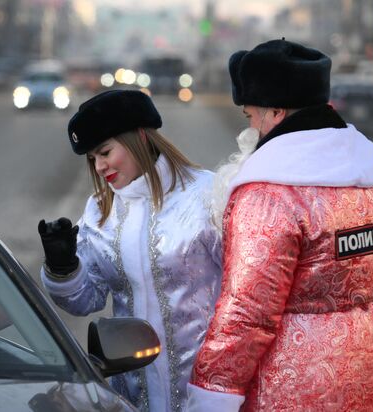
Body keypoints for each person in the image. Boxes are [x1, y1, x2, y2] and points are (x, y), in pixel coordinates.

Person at [186, 39, 373, 412]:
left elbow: (247, 314)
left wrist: (210, 393)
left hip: (290, 390)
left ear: (276, 112)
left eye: (251, 116)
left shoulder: (269, 195)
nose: (250, 128)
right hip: (372, 378)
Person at [38, 89, 222, 411]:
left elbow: (247, 292)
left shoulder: (207, 194)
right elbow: (86, 299)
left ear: (139, 136)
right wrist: (64, 267)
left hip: (206, 391)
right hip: (132, 396)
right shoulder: (99, 212)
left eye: (105, 151)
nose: (99, 166)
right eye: (92, 158)